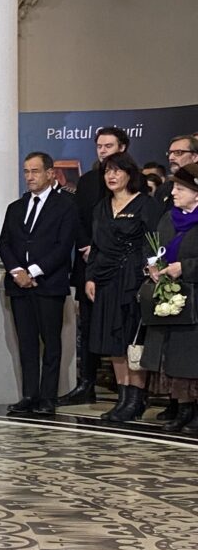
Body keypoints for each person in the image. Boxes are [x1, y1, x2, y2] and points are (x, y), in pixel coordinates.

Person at [84, 152, 161, 423]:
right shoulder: (101, 207)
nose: (111, 176)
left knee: (132, 339)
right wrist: (90, 277)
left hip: (133, 278)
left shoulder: (145, 204)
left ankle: (136, 399)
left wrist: (151, 270)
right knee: (112, 340)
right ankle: (122, 398)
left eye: (117, 170)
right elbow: (96, 246)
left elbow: (154, 242)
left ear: (130, 173)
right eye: (107, 171)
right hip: (106, 279)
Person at [0, 152, 76, 415]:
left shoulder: (65, 205)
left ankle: (47, 397)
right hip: (18, 286)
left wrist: (32, 272)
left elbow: (63, 246)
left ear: (50, 173)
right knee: (26, 342)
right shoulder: (16, 207)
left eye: (35, 171)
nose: (29, 177)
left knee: (51, 343)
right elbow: (4, 243)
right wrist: (17, 271)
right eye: (26, 171)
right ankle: (29, 395)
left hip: (49, 284)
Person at [59, 126, 130, 406]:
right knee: (87, 326)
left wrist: (102, 248)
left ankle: (127, 390)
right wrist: (87, 246)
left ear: (122, 148)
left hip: (119, 266)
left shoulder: (131, 179)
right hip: (87, 263)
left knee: (120, 327)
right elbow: (77, 219)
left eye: (108, 146)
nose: (103, 151)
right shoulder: (88, 180)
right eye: (99, 146)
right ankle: (86, 383)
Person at [141, 163, 198, 433]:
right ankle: (183, 408)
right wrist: (152, 267)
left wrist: (184, 267)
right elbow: (153, 248)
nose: (173, 192)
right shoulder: (169, 218)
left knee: (192, 357)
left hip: (195, 298)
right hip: (172, 300)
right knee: (175, 358)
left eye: (180, 188)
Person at [153, 136, 198, 213]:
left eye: (178, 153)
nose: (171, 158)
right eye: (170, 153)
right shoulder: (163, 189)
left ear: (195, 157)